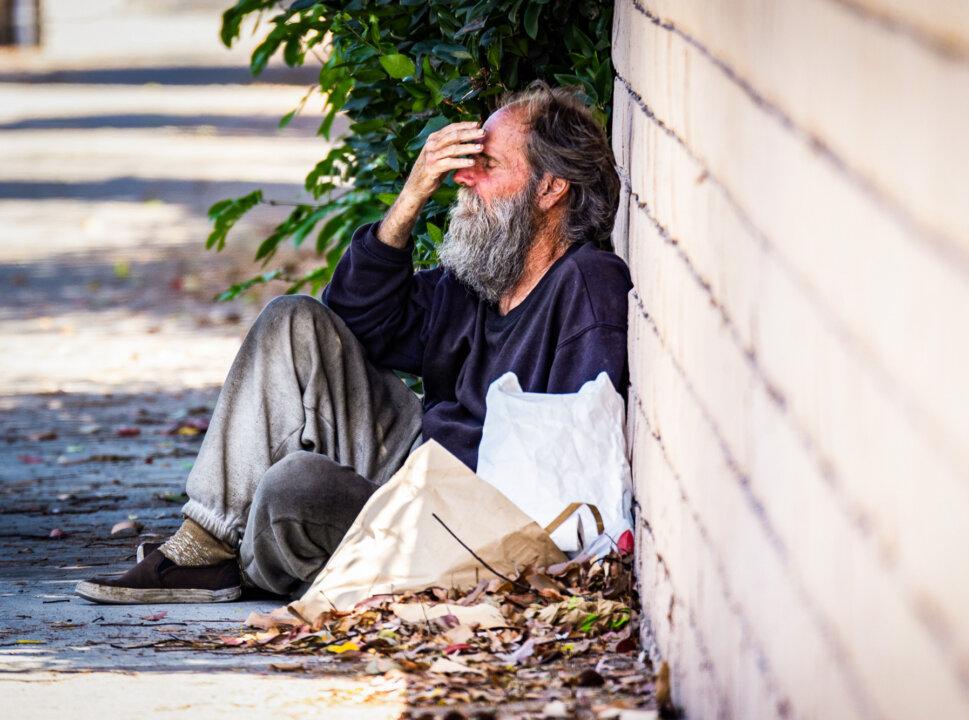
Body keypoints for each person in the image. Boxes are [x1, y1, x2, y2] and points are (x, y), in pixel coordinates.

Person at [75, 83, 632, 604]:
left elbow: (567, 453)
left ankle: (260, 564)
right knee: (293, 320)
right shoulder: (484, 278)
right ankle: (205, 544)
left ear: (550, 188)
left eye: (485, 165)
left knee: (293, 489)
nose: (463, 178)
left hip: (467, 518)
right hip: (417, 468)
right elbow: (356, 319)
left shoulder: (586, 283)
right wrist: (409, 200)